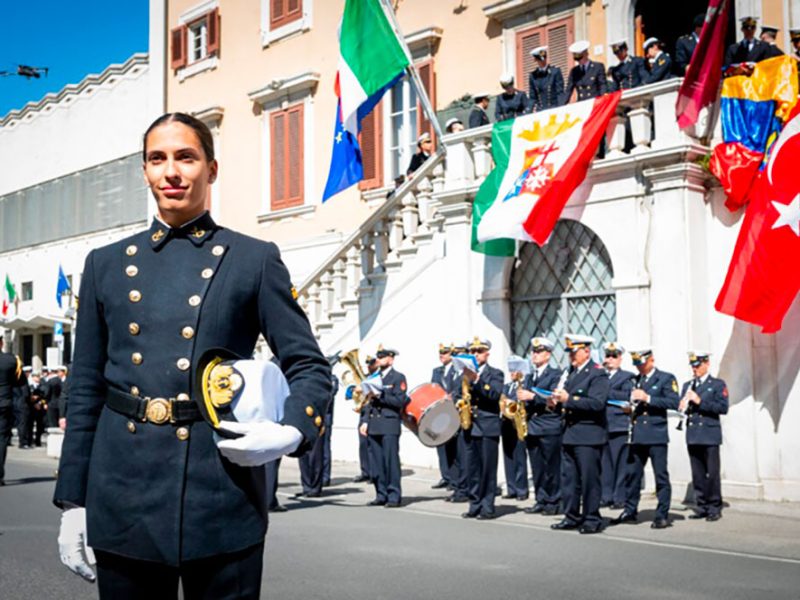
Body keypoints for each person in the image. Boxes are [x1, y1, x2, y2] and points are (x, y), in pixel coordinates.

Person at [53, 112, 331, 598]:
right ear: (144, 171)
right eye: (157, 159)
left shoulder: (252, 258)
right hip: (123, 493)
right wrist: (73, 500)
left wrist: (291, 428)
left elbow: (308, 365)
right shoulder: (105, 265)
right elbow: (85, 391)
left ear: (212, 169)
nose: (171, 172)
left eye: (186, 157)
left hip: (219, 489)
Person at [613, 348, 679, 530]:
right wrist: (629, 406)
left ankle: (662, 514)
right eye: (637, 364)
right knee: (632, 475)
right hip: (637, 436)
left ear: (651, 360)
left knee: (661, 476)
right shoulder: (635, 380)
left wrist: (648, 397)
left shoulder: (666, 378)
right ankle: (630, 509)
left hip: (656, 435)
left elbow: (674, 402)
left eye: (642, 363)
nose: (640, 367)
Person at [549, 334, 609, 535]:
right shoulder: (570, 373)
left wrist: (569, 399)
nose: (572, 357)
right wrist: (555, 403)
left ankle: (592, 518)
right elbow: (566, 403)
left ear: (586, 351)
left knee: (589, 479)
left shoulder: (597, 373)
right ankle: (571, 515)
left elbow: (597, 403)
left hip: (588, 434)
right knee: (570, 479)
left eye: (575, 352)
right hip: (569, 433)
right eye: (570, 353)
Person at [516, 337, 563, 515]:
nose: (534, 355)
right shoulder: (529, 376)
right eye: (533, 352)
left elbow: (554, 400)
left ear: (548, 354)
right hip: (533, 427)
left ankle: (554, 500)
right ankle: (541, 499)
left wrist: (532, 397)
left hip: (549, 426)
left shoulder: (555, 374)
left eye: (539, 352)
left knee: (552, 466)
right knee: (537, 467)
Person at [679, 352, 728, 522]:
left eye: (698, 365)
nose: (695, 369)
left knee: (712, 473)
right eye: (693, 366)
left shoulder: (716, 384)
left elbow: (723, 407)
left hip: (710, 434)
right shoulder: (687, 385)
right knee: (698, 473)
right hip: (693, 434)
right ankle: (701, 506)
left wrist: (699, 401)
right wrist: (683, 405)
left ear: (707, 364)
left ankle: (714, 506)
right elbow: (682, 408)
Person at [461, 337, 503, 520]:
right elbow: (458, 394)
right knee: (473, 469)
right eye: (473, 352)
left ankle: (487, 506)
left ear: (487, 353)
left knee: (487, 469)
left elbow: (493, 395)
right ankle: (474, 504)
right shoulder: (464, 374)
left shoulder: (495, 373)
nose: (476, 354)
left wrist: (476, 379)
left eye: (479, 351)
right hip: (471, 426)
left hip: (488, 426)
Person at [365, 346, 407, 508]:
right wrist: (365, 421)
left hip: (389, 423)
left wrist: (381, 395)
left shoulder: (398, 378)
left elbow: (399, 401)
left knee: (390, 461)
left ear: (391, 359)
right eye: (378, 357)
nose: (379, 359)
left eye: (383, 357)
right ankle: (380, 494)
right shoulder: (373, 377)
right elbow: (368, 402)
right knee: (376, 463)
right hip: (374, 423)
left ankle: (394, 495)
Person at [600, 342, 635, 509]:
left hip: (618, 423)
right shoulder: (600, 376)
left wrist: (605, 391)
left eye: (614, 356)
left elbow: (628, 395)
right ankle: (606, 495)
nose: (610, 359)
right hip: (602, 424)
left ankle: (619, 497)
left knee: (619, 463)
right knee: (605, 463)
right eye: (608, 355)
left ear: (620, 358)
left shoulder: (627, 376)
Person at [431, 343, 459, 490]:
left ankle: (455, 478)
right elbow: (433, 388)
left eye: (445, 352)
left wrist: (452, 396)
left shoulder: (456, 370)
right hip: (440, 411)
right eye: (440, 352)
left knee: (453, 446)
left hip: (453, 410)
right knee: (441, 445)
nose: (441, 355)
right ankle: (446, 476)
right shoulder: (437, 371)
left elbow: (458, 388)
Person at [0, 334, 27, 485]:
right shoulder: (11, 360)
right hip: (4, 403)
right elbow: (20, 381)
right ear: (1, 342)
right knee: (2, 439)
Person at [500, 359, 528, 501]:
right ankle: (511, 487)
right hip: (506, 424)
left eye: (515, 371)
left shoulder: (523, 386)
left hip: (517, 425)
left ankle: (522, 489)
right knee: (508, 457)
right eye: (511, 371)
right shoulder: (506, 387)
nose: (512, 374)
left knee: (519, 458)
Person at [528, 46, 564, 112]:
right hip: (540, 111)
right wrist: (527, 111)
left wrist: (562, 109)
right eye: (540, 59)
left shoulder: (555, 72)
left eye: (544, 58)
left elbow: (560, 93)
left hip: (554, 110)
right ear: (535, 60)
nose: (543, 61)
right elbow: (532, 97)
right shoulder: (533, 76)